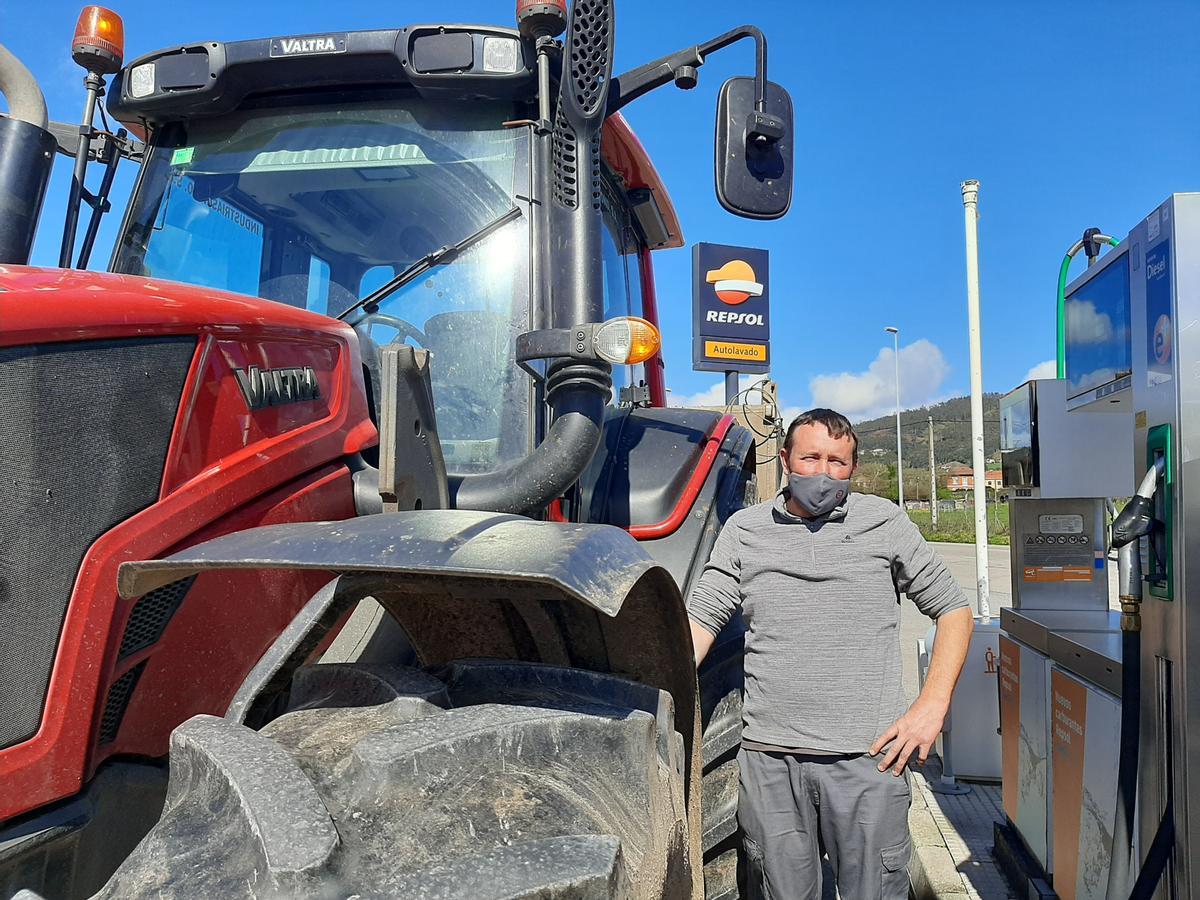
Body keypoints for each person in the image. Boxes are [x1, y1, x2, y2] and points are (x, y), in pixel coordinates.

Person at [688, 407, 973, 900]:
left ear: (853, 468)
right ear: (785, 460)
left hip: (868, 764)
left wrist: (932, 707)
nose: (823, 473)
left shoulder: (883, 523)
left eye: (838, 462)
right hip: (772, 762)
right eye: (811, 458)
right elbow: (700, 620)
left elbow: (953, 609)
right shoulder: (744, 530)